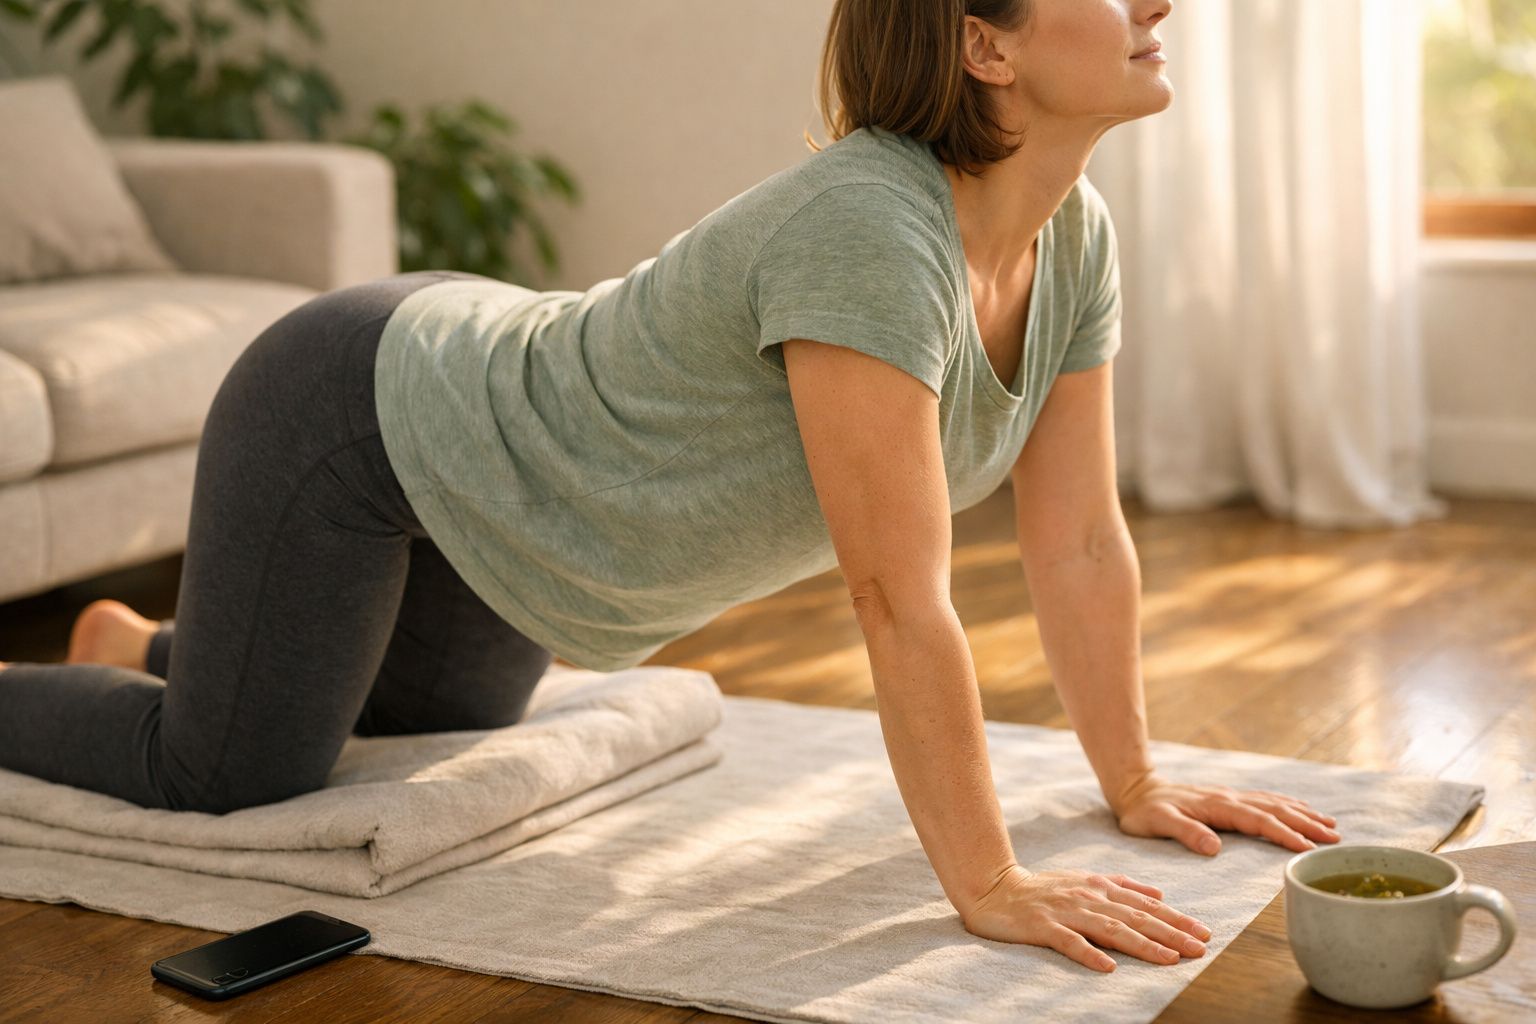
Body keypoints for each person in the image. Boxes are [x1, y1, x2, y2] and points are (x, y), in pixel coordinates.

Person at [0, 0, 1340, 973]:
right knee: (232, 773)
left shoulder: (1074, 237)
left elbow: (1082, 542)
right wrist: (987, 880)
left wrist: (1136, 775)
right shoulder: (873, 232)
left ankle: (156, 648)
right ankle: (158, 695)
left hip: (510, 498)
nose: (1158, 1)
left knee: (434, 720)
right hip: (358, 414)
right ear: (983, 46)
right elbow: (898, 598)